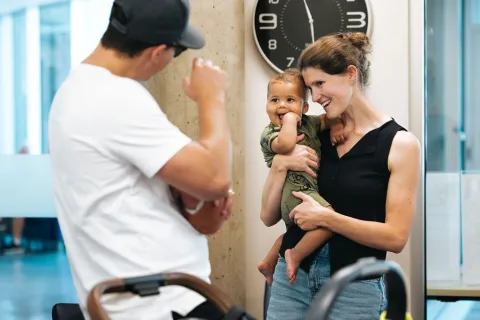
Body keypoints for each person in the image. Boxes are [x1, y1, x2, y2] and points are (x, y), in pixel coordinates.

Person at [48, 0, 234, 319]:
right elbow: (215, 178)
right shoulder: (113, 97)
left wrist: (191, 197)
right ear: (157, 51)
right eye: (176, 53)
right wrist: (211, 99)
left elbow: (191, 190)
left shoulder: (80, 89)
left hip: (147, 297)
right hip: (159, 302)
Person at [261, 32, 420, 320]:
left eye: (320, 83)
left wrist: (327, 219)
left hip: (354, 290)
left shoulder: (400, 145)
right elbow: (269, 217)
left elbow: (396, 237)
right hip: (291, 281)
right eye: (310, 88)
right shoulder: (312, 134)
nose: (315, 96)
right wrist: (279, 165)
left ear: (350, 73)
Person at [257, 69, 344, 286]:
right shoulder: (271, 132)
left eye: (290, 100)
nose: (282, 106)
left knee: (296, 231)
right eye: (274, 100)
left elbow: (331, 118)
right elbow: (286, 145)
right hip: (294, 192)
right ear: (266, 104)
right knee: (328, 220)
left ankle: (268, 263)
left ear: (304, 108)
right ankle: (295, 255)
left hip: (306, 190)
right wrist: (289, 121)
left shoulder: (309, 123)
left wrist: (336, 127)